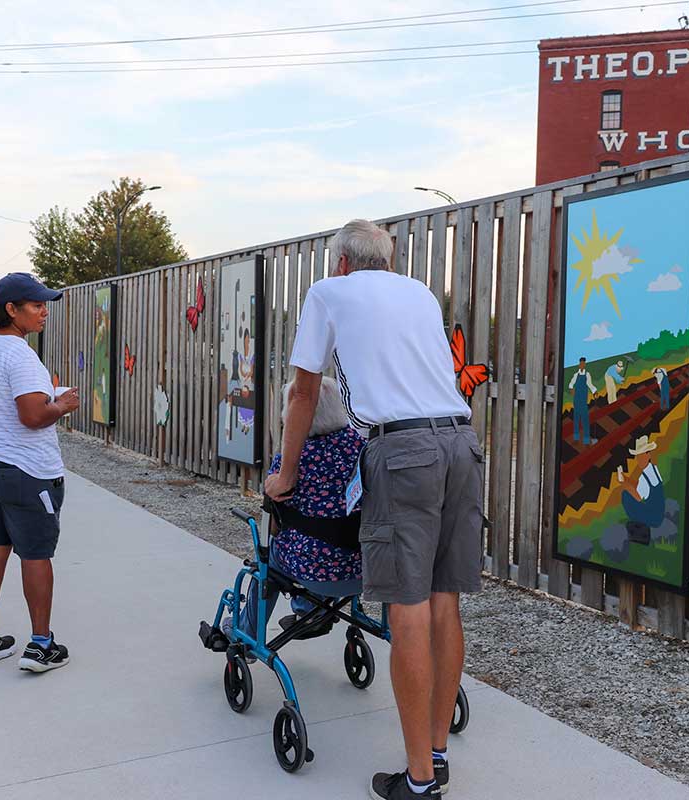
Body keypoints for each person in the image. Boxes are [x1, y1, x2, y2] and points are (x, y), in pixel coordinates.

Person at [264, 219, 483, 800]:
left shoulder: (327, 293)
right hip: (460, 441)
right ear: (388, 261)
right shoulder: (417, 293)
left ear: (340, 262)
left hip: (402, 449)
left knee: (406, 609)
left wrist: (286, 476)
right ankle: (435, 755)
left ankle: (416, 783)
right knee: (444, 604)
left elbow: (303, 393)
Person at [0, 273, 79, 673]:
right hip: (24, 469)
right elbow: (33, 416)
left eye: (45, 305)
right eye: (35, 305)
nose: (44, 312)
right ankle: (41, 646)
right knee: (36, 554)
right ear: (11, 309)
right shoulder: (21, 355)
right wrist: (63, 403)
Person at [237, 377, 364, 642]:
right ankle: (310, 609)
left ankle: (247, 633)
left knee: (270, 558)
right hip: (362, 567)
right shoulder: (362, 449)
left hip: (312, 571)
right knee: (328, 541)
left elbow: (272, 524)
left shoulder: (291, 460)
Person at [621, 435, 665, 544]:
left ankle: (638, 526)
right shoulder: (653, 469)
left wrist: (624, 484)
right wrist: (626, 479)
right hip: (658, 514)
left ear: (647, 455)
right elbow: (640, 486)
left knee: (625, 495)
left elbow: (637, 496)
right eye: (637, 456)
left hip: (653, 517)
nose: (638, 459)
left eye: (640, 455)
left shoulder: (644, 476)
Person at [569, 358, 597, 445]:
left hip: (583, 400)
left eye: (583, 364)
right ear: (579, 364)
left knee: (585, 420)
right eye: (581, 364)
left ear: (584, 364)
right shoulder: (576, 375)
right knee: (576, 419)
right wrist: (571, 389)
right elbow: (571, 384)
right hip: (576, 400)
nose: (582, 365)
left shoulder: (587, 375)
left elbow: (590, 384)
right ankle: (576, 438)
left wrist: (594, 391)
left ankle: (586, 440)